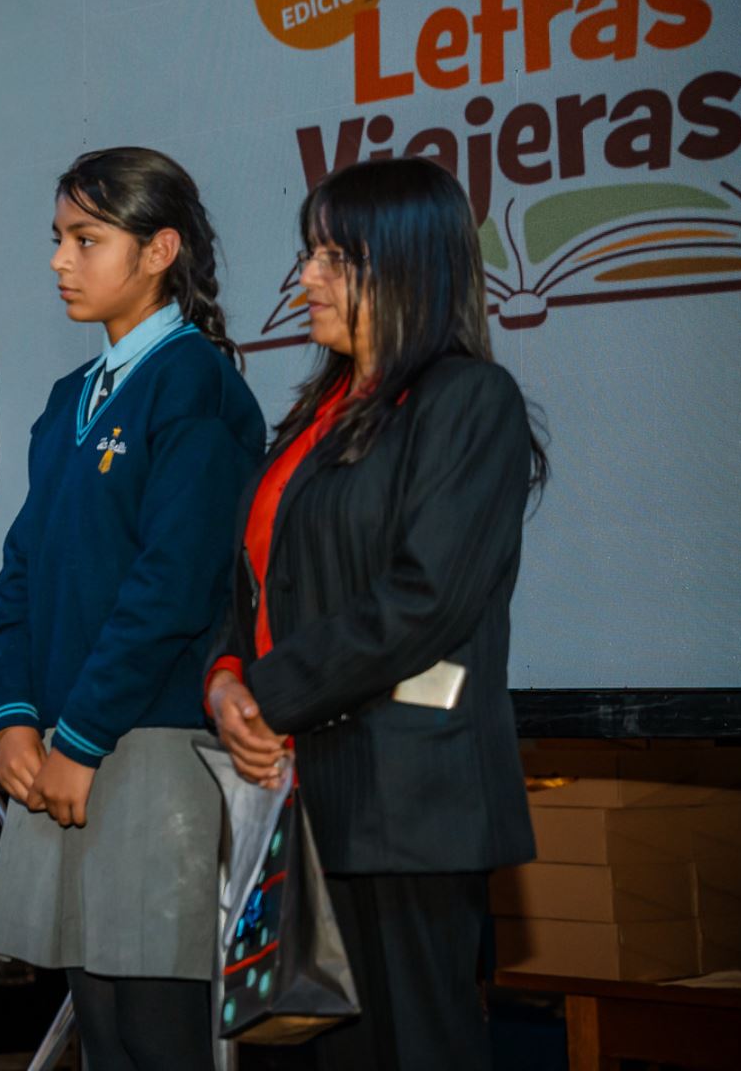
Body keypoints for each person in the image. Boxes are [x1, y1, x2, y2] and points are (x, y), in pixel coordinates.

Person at [208, 158, 546, 1069]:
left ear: (406, 266)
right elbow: (257, 582)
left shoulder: (469, 401)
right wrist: (227, 679)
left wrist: (268, 694)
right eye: (310, 253)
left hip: (407, 808)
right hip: (300, 795)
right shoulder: (321, 411)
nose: (306, 277)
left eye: (333, 256)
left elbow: (423, 599)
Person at [0, 148, 265, 1069]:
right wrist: (14, 717)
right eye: (58, 239)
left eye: (86, 239)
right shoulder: (71, 398)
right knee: (101, 1032)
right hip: (65, 748)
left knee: (155, 1035)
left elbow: (172, 587)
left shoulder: (195, 383)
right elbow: (21, 574)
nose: (60, 260)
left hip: (144, 747)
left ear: (159, 249)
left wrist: (81, 736)